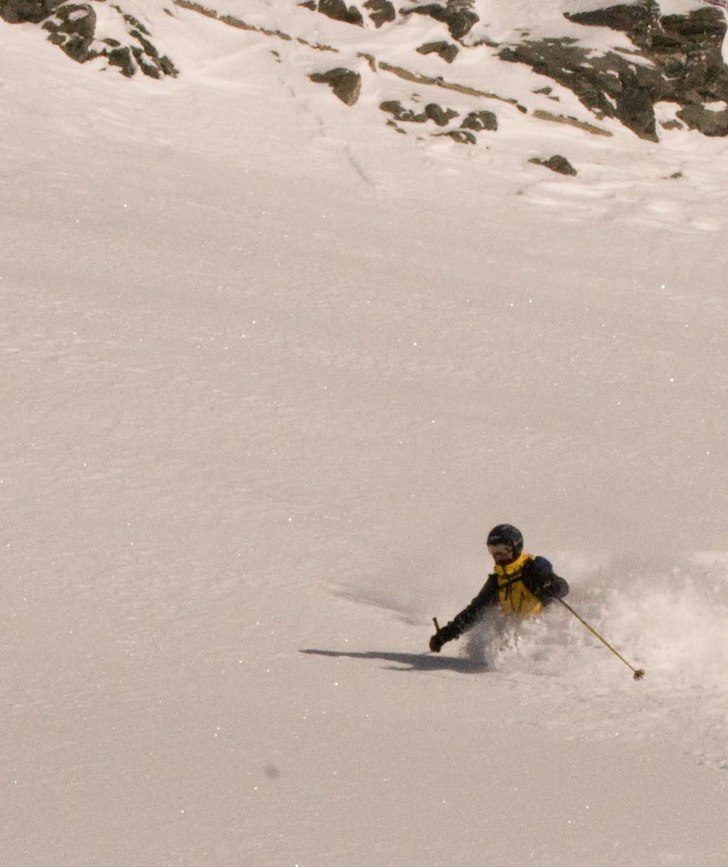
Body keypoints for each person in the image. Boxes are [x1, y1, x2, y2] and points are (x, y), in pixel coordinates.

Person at [429, 524, 569, 653]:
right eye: (493, 551)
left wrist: (551, 585)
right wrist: (445, 635)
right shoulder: (498, 581)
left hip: (544, 630)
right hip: (518, 632)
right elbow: (474, 612)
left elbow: (563, 588)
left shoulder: (533, 567)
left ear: (515, 548)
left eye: (502, 550)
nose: (498, 556)